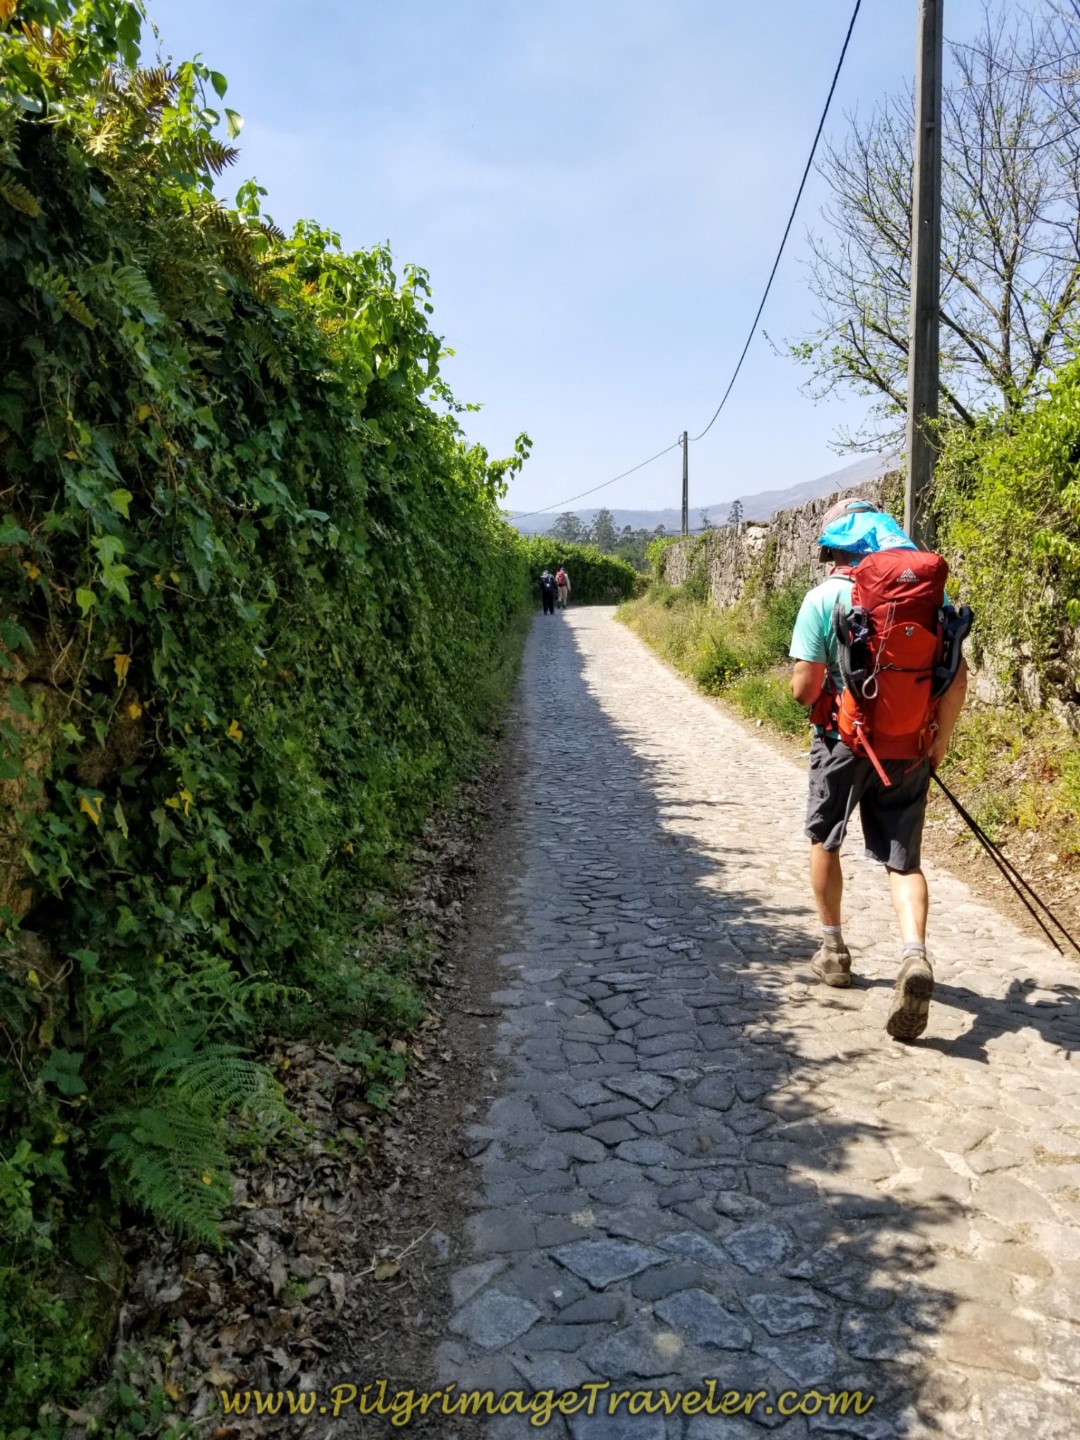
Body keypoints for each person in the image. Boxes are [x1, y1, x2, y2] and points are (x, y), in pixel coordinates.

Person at [788, 497, 968, 1042]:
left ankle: (833, 949)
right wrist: (937, 743)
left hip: (844, 740)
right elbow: (954, 683)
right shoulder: (928, 600)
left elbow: (804, 688)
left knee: (826, 840)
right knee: (903, 859)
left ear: (836, 548)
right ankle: (914, 955)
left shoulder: (823, 597)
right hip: (909, 743)